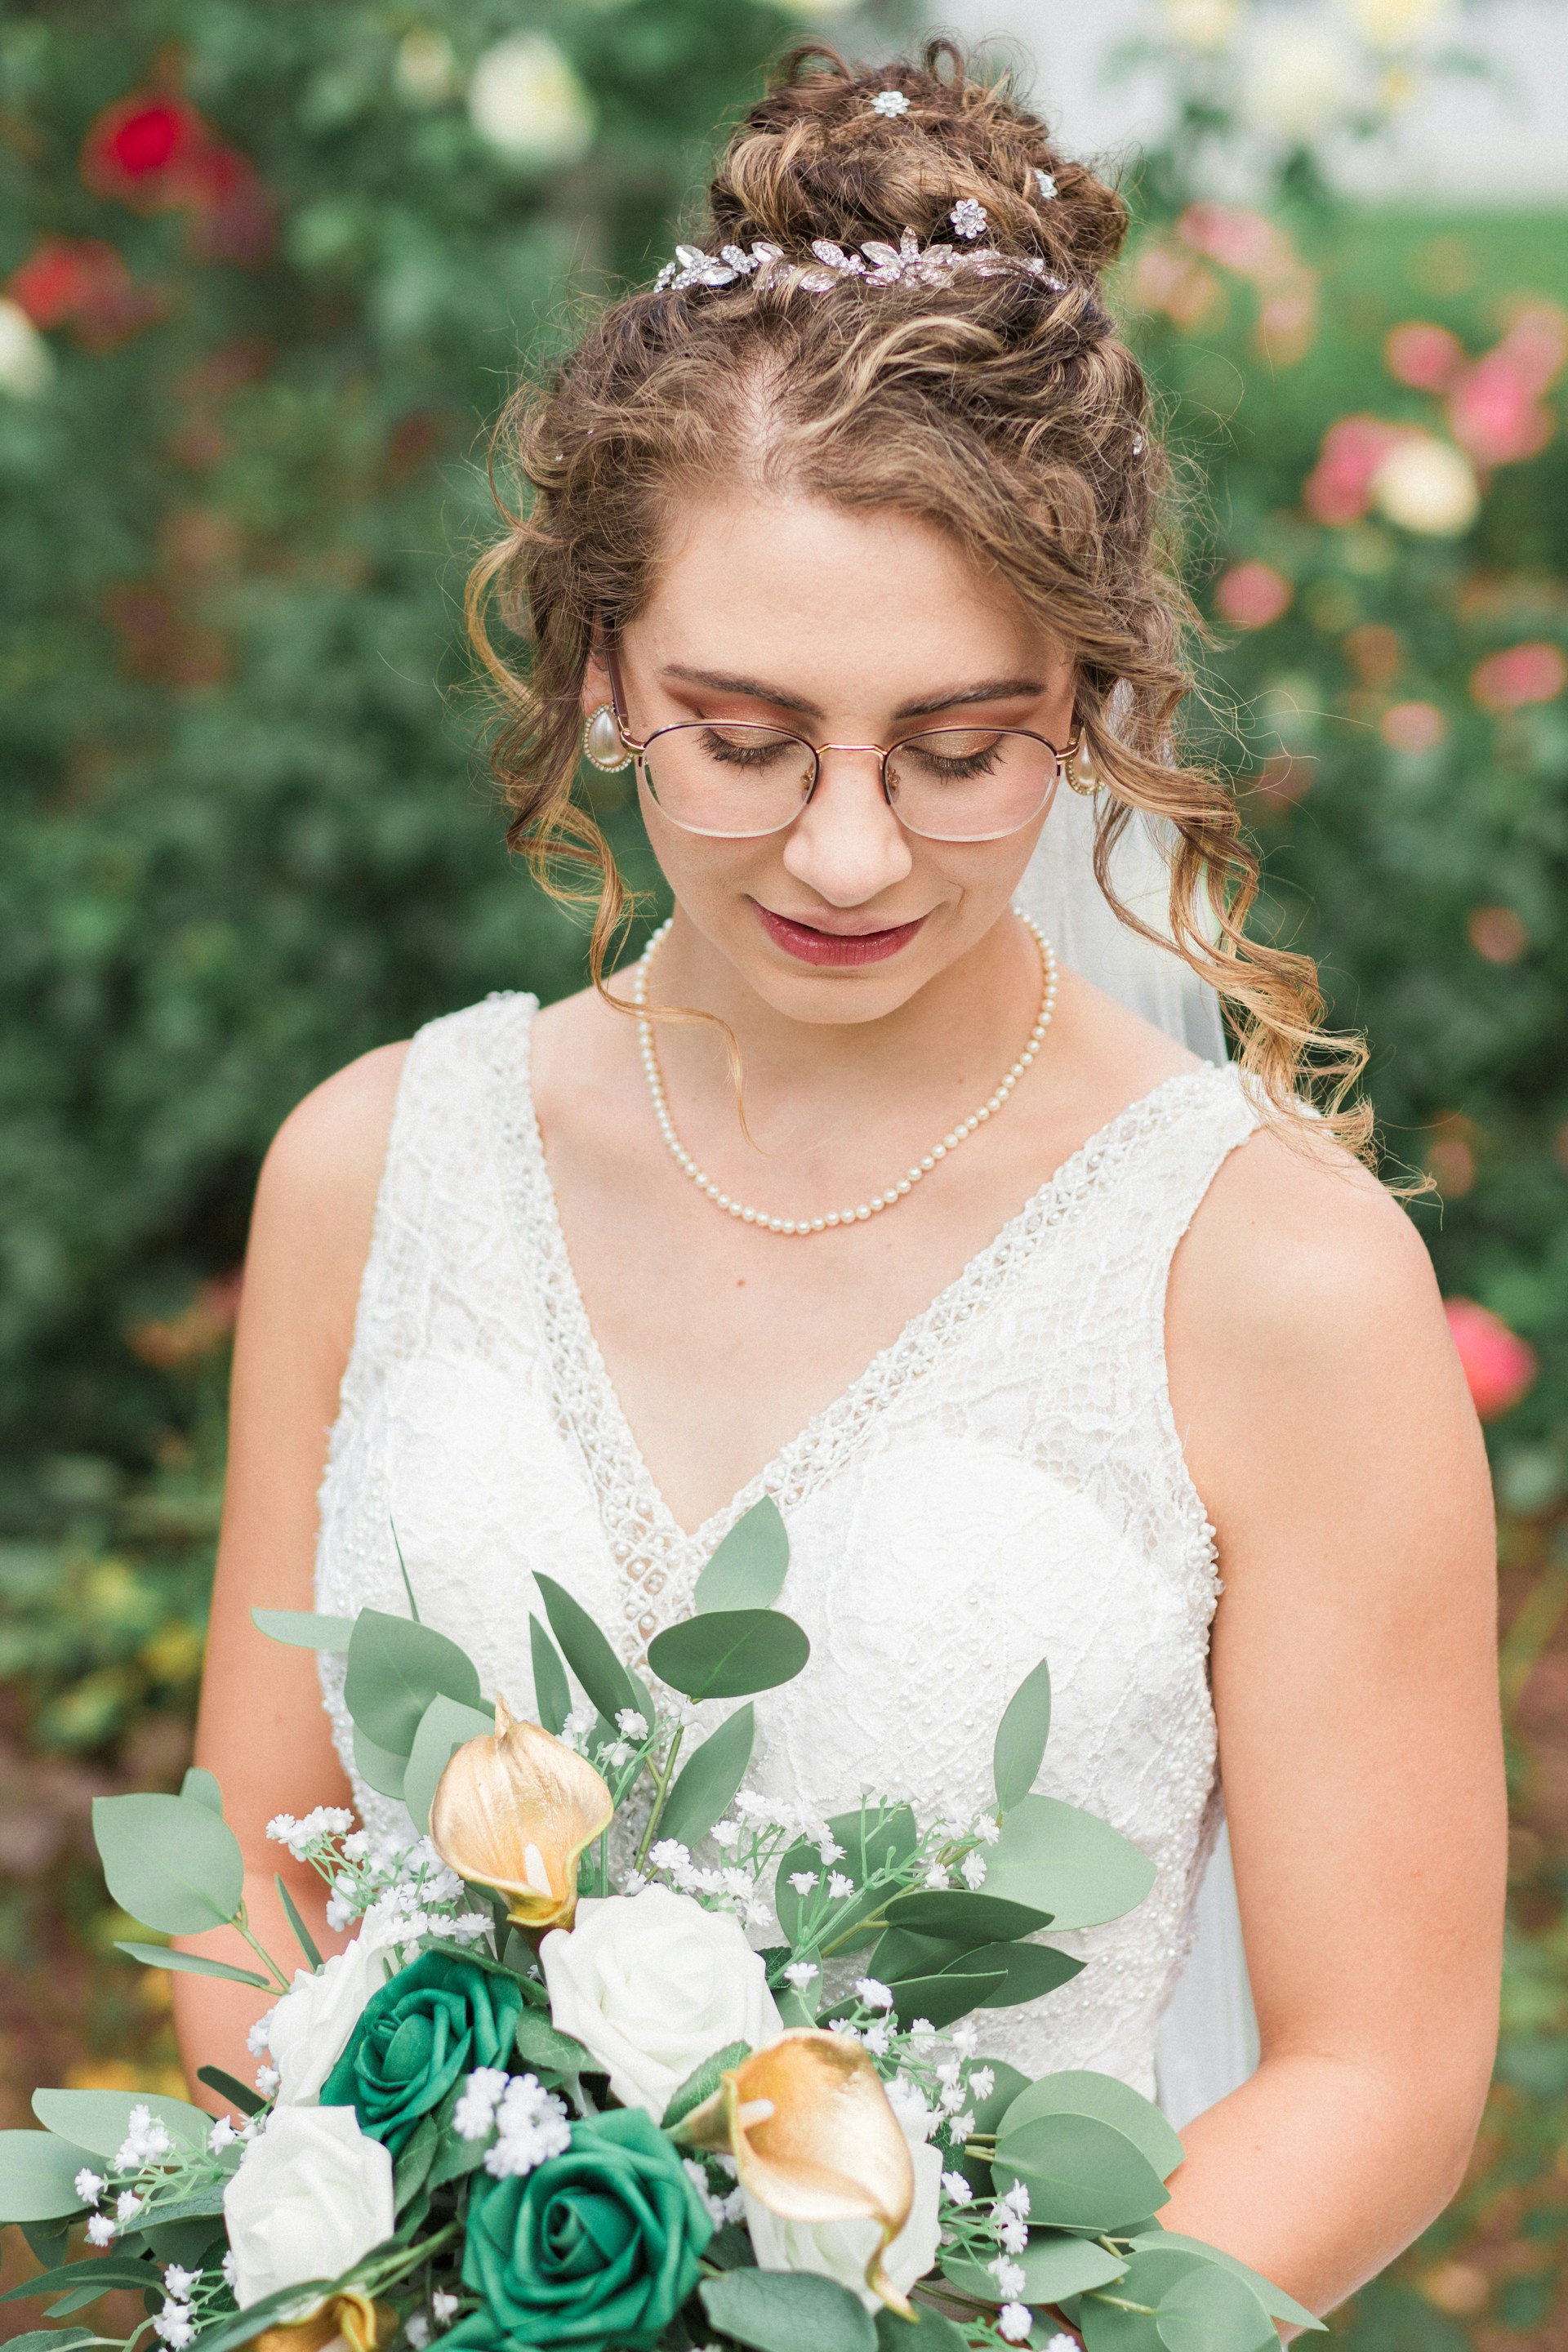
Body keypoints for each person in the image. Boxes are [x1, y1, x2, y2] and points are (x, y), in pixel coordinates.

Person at [177, 43, 1503, 2331]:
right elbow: (240, 1898)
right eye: (749, 732)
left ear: (1090, 703)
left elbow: (1381, 2069)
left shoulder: (1278, 1281)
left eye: (961, 747)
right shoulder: (372, 1171)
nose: (851, 849)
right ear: (599, 670)